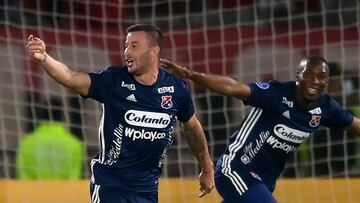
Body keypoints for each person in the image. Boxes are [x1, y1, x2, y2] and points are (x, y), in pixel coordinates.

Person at [26, 24, 214, 203]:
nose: (127, 52)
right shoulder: (114, 81)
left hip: (147, 189)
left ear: (154, 50)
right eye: (126, 46)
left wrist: (206, 168)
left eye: (134, 46)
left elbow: (191, 127)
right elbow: (71, 77)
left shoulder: (175, 88)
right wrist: (44, 58)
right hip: (111, 185)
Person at [160, 56, 360, 203]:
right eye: (308, 75)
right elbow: (233, 88)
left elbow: (354, 124)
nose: (315, 81)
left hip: (265, 180)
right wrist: (190, 75)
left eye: (322, 77)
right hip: (236, 169)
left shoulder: (325, 107)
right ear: (298, 75)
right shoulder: (277, 94)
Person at [16, 97, 84, 180]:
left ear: (41, 115)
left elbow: (22, 176)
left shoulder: (26, 143)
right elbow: (74, 179)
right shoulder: (74, 144)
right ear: (62, 116)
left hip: (33, 192)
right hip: (63, 193)